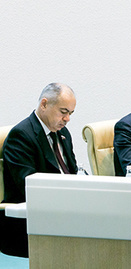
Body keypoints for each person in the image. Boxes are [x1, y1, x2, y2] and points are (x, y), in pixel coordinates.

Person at [1, 83, 77, 257]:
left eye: (70, 114)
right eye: (63, 112)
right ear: (44, 104)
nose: (67, 119)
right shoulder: (21, 135)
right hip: (29, 221)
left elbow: (71, 174)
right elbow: (30, 186)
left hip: (63, 212)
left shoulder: (63, 134)